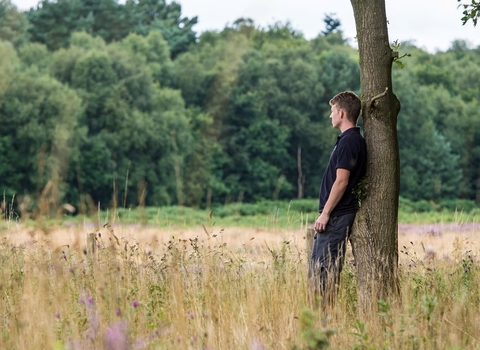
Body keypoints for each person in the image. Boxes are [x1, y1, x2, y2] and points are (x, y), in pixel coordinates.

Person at [309, 91, 367, 308]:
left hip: (335, 217)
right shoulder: (349, 140)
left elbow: (342, 181)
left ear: (342, 113)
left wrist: (325, 213)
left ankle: (322, 327)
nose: (330, 116)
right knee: (318, 272)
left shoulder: (350, 142)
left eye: (332, 111)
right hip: (334, 217)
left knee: (324, 274)